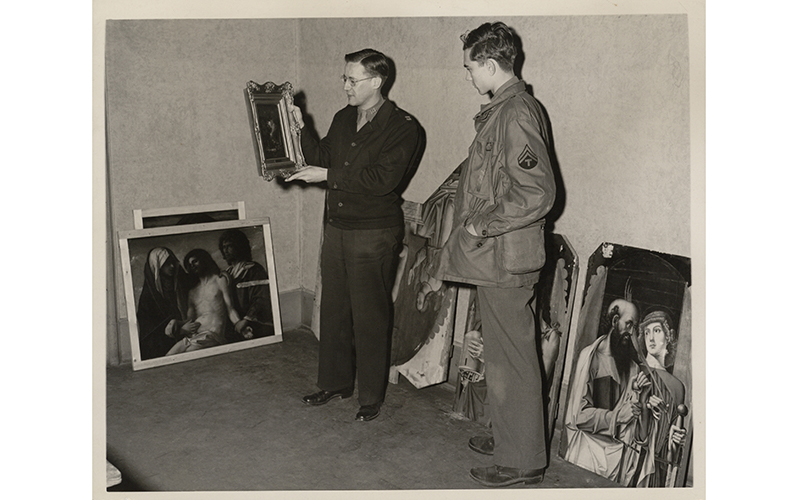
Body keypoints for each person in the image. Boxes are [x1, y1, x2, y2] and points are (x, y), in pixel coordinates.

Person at [431, 22, 556, 487]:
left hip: (505, 255)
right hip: (495, 257)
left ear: (489, 64)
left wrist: (482, 223)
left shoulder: (517, 112)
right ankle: (510, 437)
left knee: (513, 360)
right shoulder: (503, 111)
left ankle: (522, 461)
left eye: (469, 67)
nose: (467, 75)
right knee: (503, 358)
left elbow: (537, 192)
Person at [285, 48, 423, 422]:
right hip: (338, 229)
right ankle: (334, 382)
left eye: (352, 80)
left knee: (370, 316)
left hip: (374, 232)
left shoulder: (404, 127)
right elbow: (322, 156)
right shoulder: (344, 117)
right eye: (344, 78)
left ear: (376, 82)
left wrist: (326, 176)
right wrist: (300, 127)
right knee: (334, 311)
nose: (345, 85)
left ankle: (371, 396)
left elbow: (382, 181)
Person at [563, 298, 648, 486]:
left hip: (616, 458)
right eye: (628, 324)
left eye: (634, 327)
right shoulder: (590, 358)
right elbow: (580, 416)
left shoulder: (631, 367)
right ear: (614, 320)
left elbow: (630, 418)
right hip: (587, 454)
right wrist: (617, 417)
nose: (631, 332)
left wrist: (636, 395)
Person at [635, 310, 688, 487]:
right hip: (633, 464)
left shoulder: (677, 387)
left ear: (668, 336)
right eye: (647, 332)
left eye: (657, 331)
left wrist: (676, 441)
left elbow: (671, 455)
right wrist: (643, 405)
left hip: (658, 473)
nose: (651, 338)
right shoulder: (635, 373)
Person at [165, 249, 242, 355]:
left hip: (212, 335)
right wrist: (180, 326)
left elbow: (230, 309)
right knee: (169, 356)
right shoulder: (192, 292)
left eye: (195, 261)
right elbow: (190, 319)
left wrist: (239, 324)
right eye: (189, 264)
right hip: (192, 337)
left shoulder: (219, 280)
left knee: (188, 354)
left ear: (204, 260)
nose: (192, 265)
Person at [218, 229, 274, 341]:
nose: (226, 250)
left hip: (254, 324)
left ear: (239, 247)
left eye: (230, 246)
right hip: (234, 325)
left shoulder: (254, 270)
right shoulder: (226, 274)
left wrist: (246, 320)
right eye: (224, 247)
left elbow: (261, 299)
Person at [136, 247, 187, 360]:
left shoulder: (179, 284)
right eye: (167, 264)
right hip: (160, 349)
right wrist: (180, 331)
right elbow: (150, 333)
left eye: (173, 263)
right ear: (157, 266)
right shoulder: (147, 299)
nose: (172, 267)